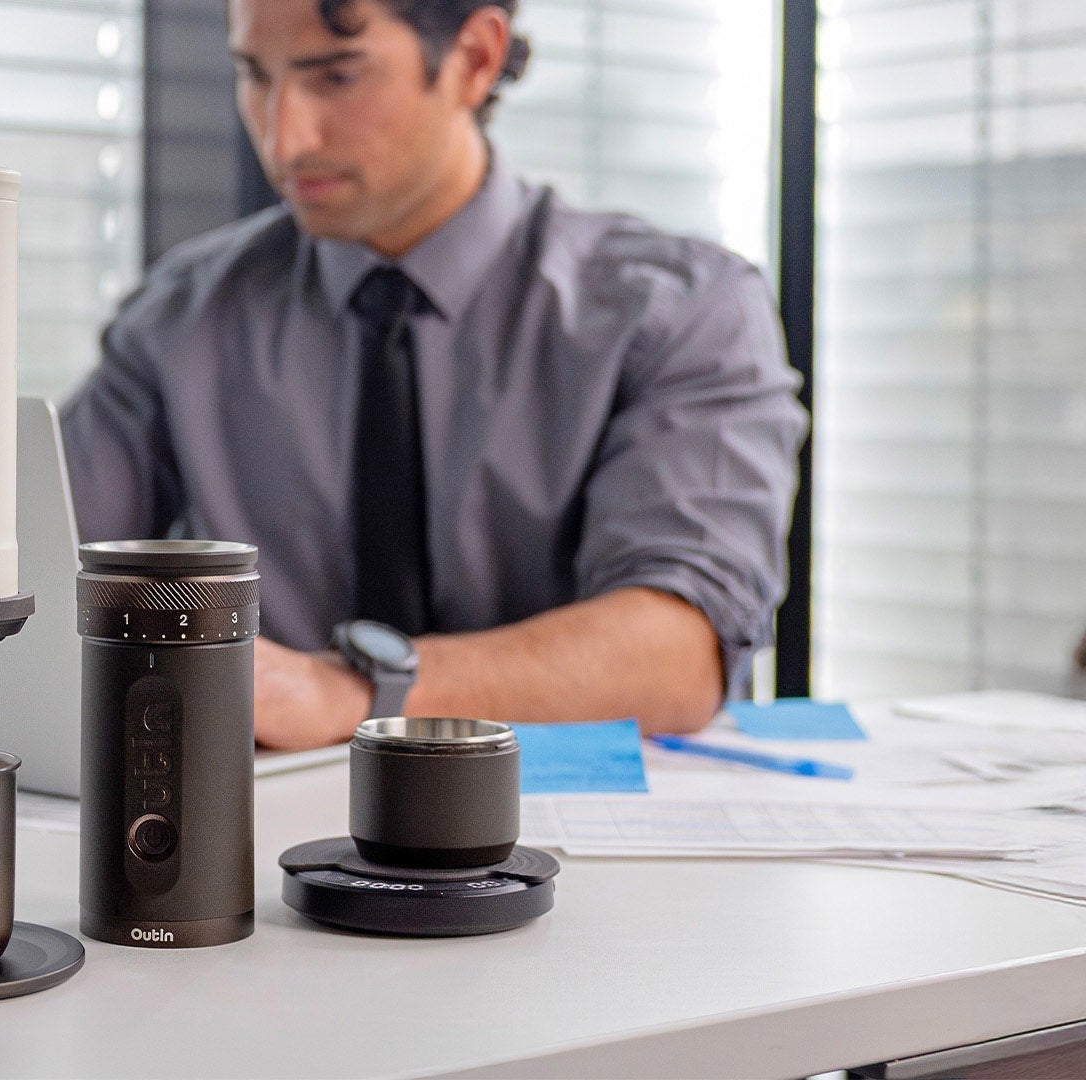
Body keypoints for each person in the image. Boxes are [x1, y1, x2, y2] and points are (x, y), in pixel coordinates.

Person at [58, 0, 808, 750]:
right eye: (255, 76)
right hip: (266, 831)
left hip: (574, 834)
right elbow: (39, 573)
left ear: (475, 58)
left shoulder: (680, 310)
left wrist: (348, 692)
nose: (284, 137)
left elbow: (676, 654)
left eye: (338, 76)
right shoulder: (182, 316)